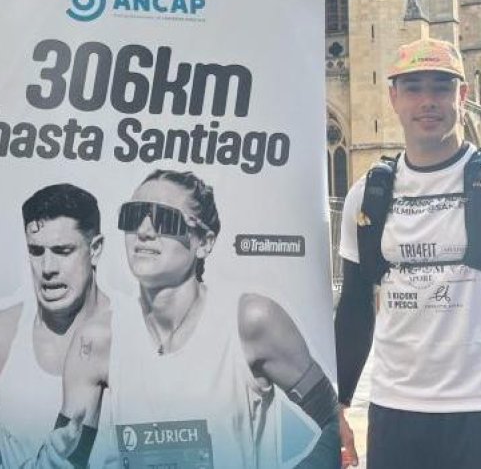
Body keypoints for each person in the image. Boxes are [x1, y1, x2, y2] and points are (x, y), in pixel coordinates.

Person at [334, 38, 481, 469]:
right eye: (414, 87)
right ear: (392, 97)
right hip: (395, 409)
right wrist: (339, 405)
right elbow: (354, 306)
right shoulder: (365, 195)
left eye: (441, 87)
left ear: (463, 95)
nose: (427, 101)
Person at [44, 169, 339, 469]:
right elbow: (67, 455)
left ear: (205, 242)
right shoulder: (96, 339)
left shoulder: (250, 321)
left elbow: (332, 423)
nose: (144, 231)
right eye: (133, 216)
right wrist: (54, 460)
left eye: (165, 219)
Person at [0, 183, 111, 468]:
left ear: (95, 249)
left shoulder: (133, 335)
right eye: (36, 251)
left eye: (63, 250)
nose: (48, 268)